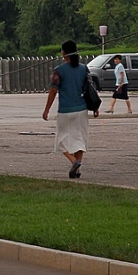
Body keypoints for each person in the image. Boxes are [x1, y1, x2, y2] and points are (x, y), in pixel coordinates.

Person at [42, 39, 99, 178]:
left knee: (61, 141)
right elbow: (90, 88)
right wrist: (95, 107)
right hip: (82, 109)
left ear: (64, 52)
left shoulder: (59, 71)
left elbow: (53, 91)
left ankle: (74, 161)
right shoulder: (83, 68)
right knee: (79, 139)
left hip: (65, 110)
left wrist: (46, 110)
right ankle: (77, 168)